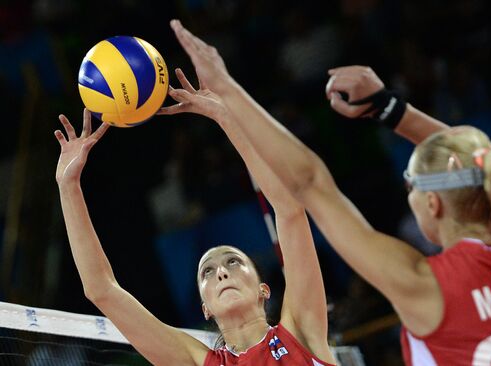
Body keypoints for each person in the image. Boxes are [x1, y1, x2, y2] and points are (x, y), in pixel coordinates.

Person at [167, 19, 491, 365]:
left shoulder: (420, 282)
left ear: (431, 203)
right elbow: (475, 161)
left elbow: (311, 182)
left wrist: (227, 90)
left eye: (409, 186)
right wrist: (389, 109)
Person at [54, 91, 337, 364]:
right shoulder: (196, 362)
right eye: (208, 272)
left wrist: (226, 118)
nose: (222, 272)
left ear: (263, 289)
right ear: (206, 309)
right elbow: (100, 289)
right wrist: (68, 186)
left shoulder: (300, 329)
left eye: (234, 262)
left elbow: (289, 210)